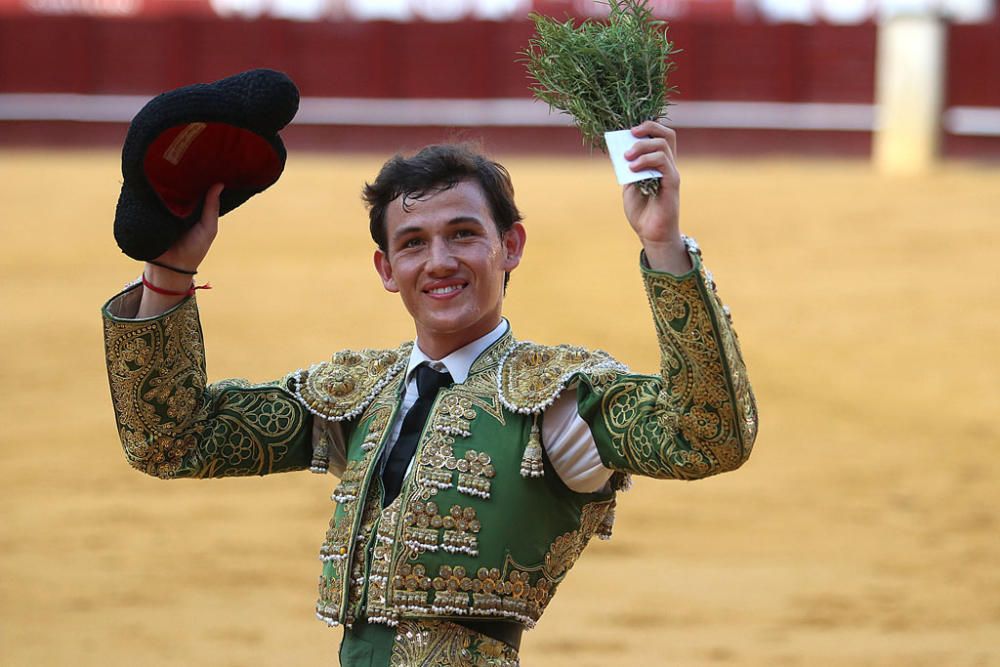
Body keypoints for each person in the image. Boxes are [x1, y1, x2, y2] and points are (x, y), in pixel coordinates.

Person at [102, 121, 757, 666]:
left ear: (511, 245)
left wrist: (664, 245)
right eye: (413, 243)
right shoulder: (357, 394)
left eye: (463, 233)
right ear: (387, 269)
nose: (439, 261)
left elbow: (709, 435)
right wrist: (170, 272)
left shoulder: (557, 398)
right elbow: (172, 439)